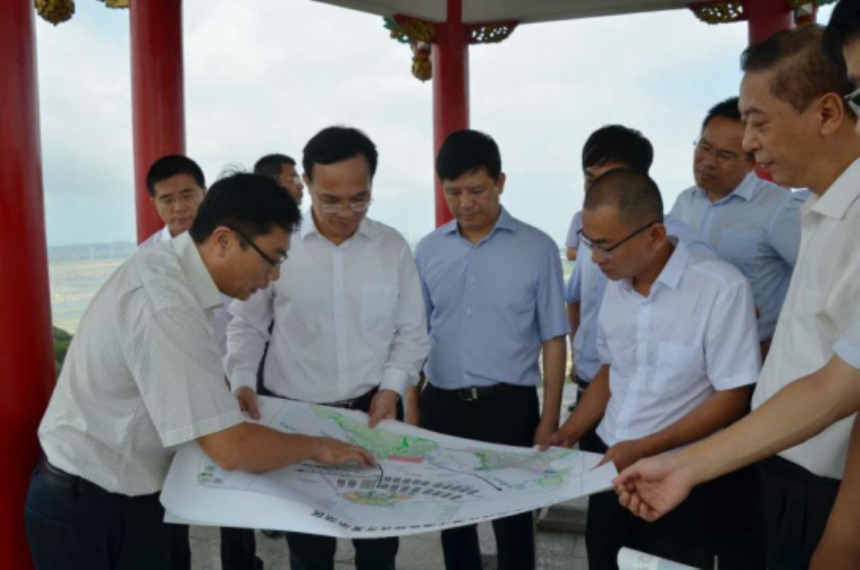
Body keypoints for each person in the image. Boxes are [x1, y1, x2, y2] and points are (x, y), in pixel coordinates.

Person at [24, 173, 375, 570]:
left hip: (118, 495)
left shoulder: (171, 269)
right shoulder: (166, 303)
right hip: (91, 508)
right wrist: (316, 447)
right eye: (273, 258)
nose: (274, 275)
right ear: (223, 239)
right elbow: (231, 448)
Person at [614, 21, 860, 570]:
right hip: (776, 464)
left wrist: (846, 534)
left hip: (826, 492)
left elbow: (838, 386)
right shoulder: (818, 207)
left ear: (826, 113)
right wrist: (687, 466)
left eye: (758, 123)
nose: (748, 144)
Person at [225, 126, 429, 570]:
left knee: (378, 547)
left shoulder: (391, 247)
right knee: (308, 550)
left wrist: (392, 388)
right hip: (295, 420)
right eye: (330, 200)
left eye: (359, 199)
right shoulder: (280, 245)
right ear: (306, 183)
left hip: (371, 414)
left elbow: (411, 331)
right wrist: (241, 380)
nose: (345, 213)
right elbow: (247, 324)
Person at [549, 168, 760, 569]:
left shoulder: (720, 289)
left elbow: (733, 396)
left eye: (606, 246)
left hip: (680, 476)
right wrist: (569, 432)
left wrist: (645, 447)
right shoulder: (617, 285)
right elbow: (612, 371)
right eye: (589, 242)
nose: (595, 258)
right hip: (611, 465)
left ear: (655, 235)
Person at [414, 129, 568, 570]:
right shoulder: (429, 250)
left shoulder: (537, 248)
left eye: (477, 190)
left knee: (514, 519)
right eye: (453, 192)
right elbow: (416, 335)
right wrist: (413, 406)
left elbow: (554, 340)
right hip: (442, 404)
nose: (465, 203)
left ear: (500, 182)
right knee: (452, 516)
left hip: (509, 406)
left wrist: (549, 420)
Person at [670, 96, 805, 357]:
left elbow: (815, 281)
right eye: (705, 147)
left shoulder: (779, 208)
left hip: (754, 357)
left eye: (725, 155)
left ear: (752, 160)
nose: (708, 161)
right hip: (689, 357)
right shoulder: (685, 203)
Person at [140, 154, 207, 246]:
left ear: (204, 194)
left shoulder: (226, 241)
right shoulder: (147, 253)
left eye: (186, 196)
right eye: (168, 200)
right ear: (154, 204)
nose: (179, 208)